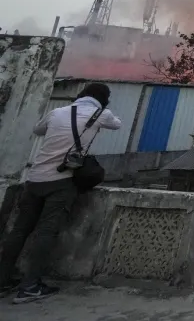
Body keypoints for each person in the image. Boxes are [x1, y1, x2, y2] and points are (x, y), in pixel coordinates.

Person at [0, 83, 121, 304]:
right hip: (62, 181)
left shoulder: (57, 112)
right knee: (46, 233)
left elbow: (38, 130)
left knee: (19, 231)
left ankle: (2, 280)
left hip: (34, 178)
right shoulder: (101, 114)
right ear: (104, 99)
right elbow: (117, 125)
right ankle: (29, 286)